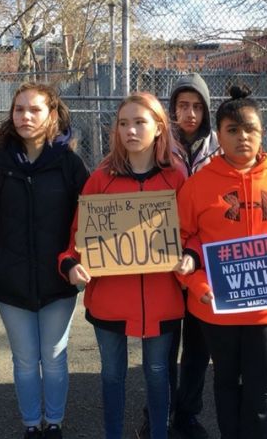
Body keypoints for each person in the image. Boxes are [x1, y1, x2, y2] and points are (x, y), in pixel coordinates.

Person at [176, 85, 267, 439]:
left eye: (250, 129)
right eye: (232, 130)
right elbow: (184, 239)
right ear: (218, 134)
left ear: (262, 132)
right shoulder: (198, 185)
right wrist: (197, 282)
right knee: (226, 382)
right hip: (216, 306)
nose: (242, 138)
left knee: (263, 387)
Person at [60, 92, 188, 439]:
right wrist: (71, 265)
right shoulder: (101, 179)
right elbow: (76, 239)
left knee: (159, 373)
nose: (130, 130)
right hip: (109, 301)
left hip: (163, 300)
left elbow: (193, 233)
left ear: (160, 128)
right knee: (112, 375)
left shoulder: (176, 179)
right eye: (123, 123)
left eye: (140, 122)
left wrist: (191, 257)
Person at [0, 83, 89, 439]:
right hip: (11, 282)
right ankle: (30, 425)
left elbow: (85, 221)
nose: (25, 116)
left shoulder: (70, 165)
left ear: (52, 115)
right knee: (25, 361)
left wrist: (73, 263)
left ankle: (53, 423)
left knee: (53, 358)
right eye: (19, 109)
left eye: (34, 109)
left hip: (58, 281)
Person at [163, 73, 220, 439]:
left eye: (197, 106)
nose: (190, 113)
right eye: (183, 105)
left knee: (198, 347)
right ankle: (160, 409)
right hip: (164, 259)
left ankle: (188, 413)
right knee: (164, 346)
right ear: (172, 110)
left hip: (205, 261)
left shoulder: (220, 146)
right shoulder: (159, 146)